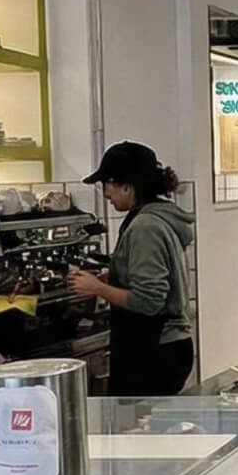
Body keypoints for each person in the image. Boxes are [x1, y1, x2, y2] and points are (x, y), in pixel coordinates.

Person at [69, 141, 196, 396]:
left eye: (108, 184)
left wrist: (98, 288)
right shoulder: (154, 217)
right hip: (164, 348)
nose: (106, 193)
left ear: (127, 185)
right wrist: (113, 277)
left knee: (134, 420)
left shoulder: (146, 227)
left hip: (154, 352)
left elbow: (149, 300)